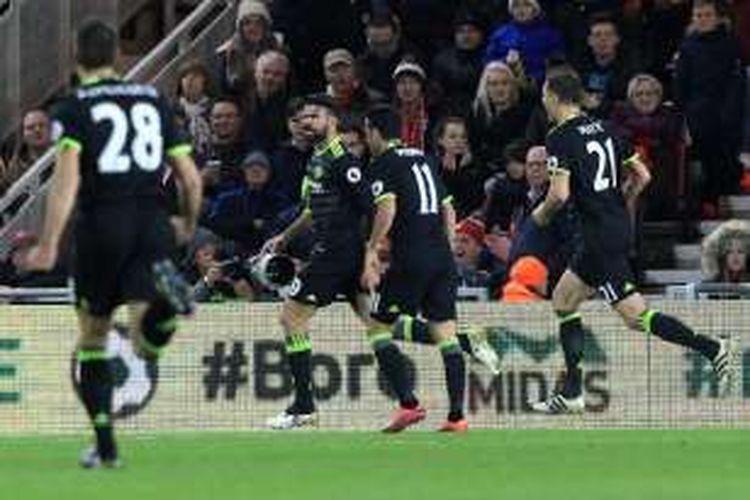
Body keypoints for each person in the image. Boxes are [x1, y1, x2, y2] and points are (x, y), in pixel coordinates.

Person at [20, 20, 202, 466]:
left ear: (75, 57)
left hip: (102, 224)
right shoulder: (155, 99)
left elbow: (65, 181)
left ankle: (105, 445)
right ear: (118, 56)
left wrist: (48, 244)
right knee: (144, 343)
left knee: (93, 340)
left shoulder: (75, 106)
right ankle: (164, 307)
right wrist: (187, 223)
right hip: (152, 223)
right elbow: (191, 179)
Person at [528, 67, 733, 414]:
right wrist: (622, 199)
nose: (543, 101)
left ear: (554, 95)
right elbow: (643, 174)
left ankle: (710, 347)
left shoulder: (559, 137)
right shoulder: (609, 128)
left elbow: (559, 194)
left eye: (545, 94)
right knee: (563, 300)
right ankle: (573, 392)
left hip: (597, 237)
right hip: (613, 227)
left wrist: (540, 216)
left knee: (636, 317)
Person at [261, 94, 419, 431]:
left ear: (332, 120)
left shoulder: (342, 161)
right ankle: (412, 398)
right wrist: (285, 238)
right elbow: (311, 209)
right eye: (303, 117)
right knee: (378, 325)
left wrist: (370, 253)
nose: (307, 122)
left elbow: (372, 205)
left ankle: (304, 406)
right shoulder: (317, 158)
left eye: (314, 115)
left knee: (291, 317)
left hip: (337, 253)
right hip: (339, 252)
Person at [361, 105, 466, 431]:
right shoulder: (423, 158)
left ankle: (409, 404)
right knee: (445, 335)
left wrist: (371, 248)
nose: (366, 140)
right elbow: (449, 209)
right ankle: (457, 418)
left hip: (411, 257)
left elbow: (387, 209)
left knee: (377, 327)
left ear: (375, 131)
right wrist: (446, 246)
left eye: (367, 133)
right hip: (441, 259)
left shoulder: (383, 164)